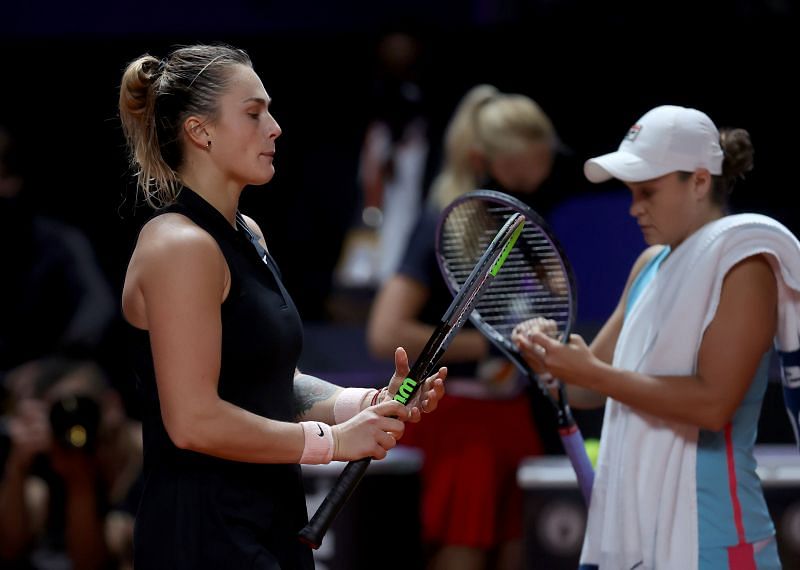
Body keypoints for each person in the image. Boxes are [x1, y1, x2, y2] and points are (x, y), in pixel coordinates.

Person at [116, 44, 446, 570]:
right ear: (200, 131)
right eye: (253, 113)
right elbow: (193, 421)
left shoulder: (248, 233)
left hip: (273, 522)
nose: (274, 127)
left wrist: (359, 404)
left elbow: (264, 381)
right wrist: (332, 442)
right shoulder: (177, 246)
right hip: (202, 535)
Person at [512, 105, 799, 569]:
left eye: (648, 191)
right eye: (631, 192)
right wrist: (551, 356)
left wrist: (590, 373)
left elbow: (712, 404)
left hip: (716, 540)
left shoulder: (745, 268)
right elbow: (585, 388)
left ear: (700, 181)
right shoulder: (647, 265)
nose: (633, 207)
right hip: (638, 537)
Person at [368, 84, 571, 570]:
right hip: (456, 426)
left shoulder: (525, 222)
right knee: (463, 552)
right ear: (484, 159)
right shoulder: (443, 222)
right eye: (526, 166)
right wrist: (491, 346)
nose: (538, 176)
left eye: (542, 162)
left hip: (514, 420)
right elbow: (384, 332)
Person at [0, 357, 142, 570]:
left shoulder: (151, 457)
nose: (74, 422)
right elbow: (9, 549)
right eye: (60, 414)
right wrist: (17, 468)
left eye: (81, 408)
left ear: (112, 405)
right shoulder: (53, 457)